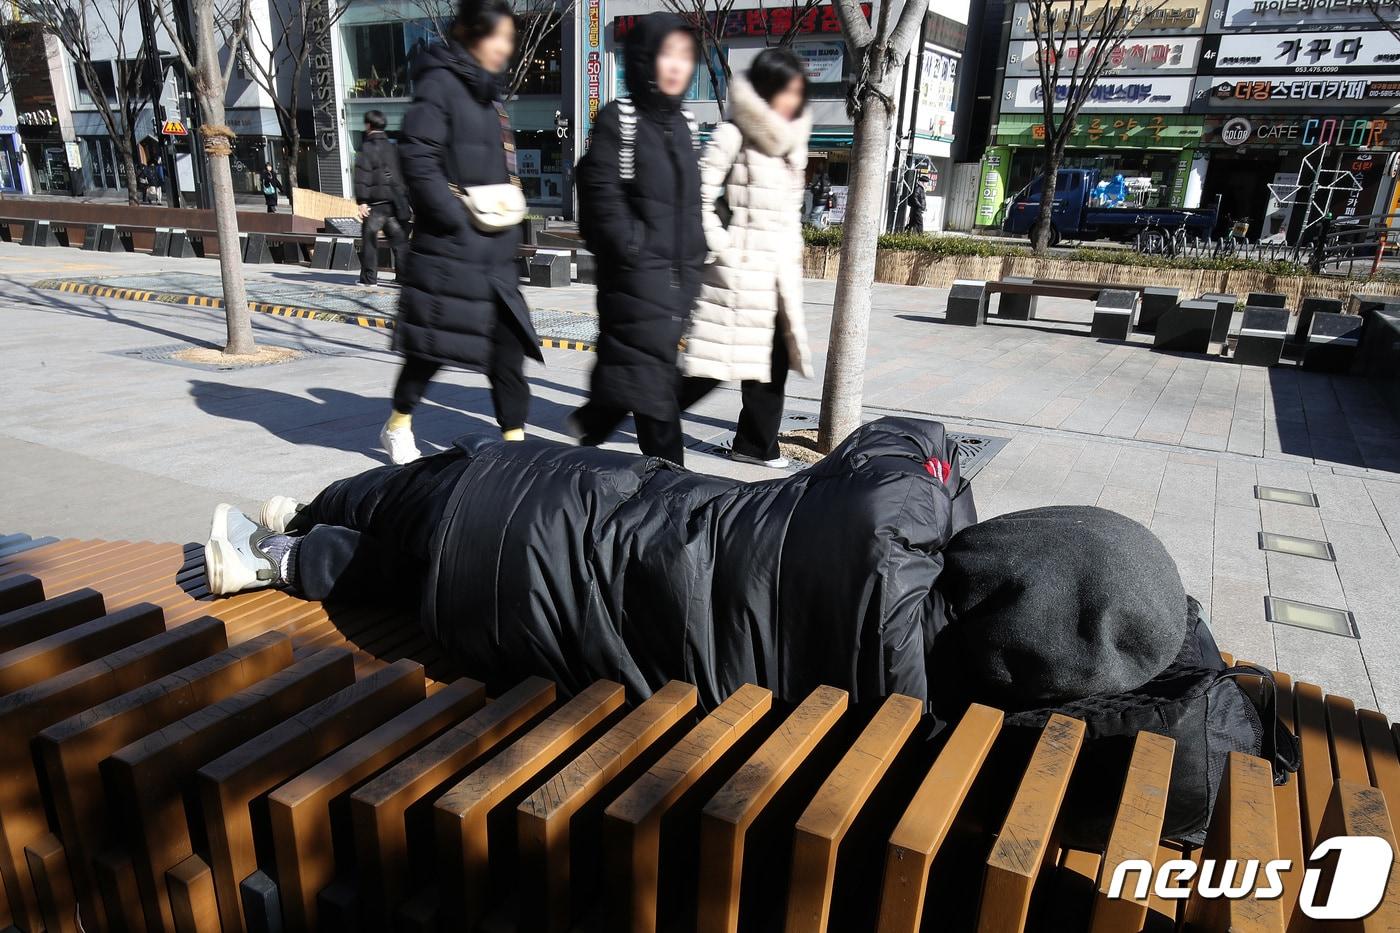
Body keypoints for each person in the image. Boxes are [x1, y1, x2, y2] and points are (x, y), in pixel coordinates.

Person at [201, 417, 974, 709]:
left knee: (404, 496)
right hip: (509, 628)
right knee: (413, 579)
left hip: (529, 505)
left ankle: (298, 520)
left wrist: (955, 517)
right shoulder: (915, 710)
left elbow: (910, 438)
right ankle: (286, 557)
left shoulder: (897, 509)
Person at [386, 0, 541, 465]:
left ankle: (514, 446)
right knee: (431, 348)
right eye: (499, 37)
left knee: (508, 353)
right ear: (474, 33)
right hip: (450, 249)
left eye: (510, 39)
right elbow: (416, 157)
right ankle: (398, 423)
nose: (506, 48)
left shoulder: (490, 96)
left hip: (493, 251)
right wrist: (454, 217)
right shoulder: (440, 84)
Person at [567, 12, 706, 465]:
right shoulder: (619, 119)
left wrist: (697, 254)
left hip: (674, 285)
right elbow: (598, 194)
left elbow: (690, 206)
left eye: (686, 57)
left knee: (635, 380)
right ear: (645, 59)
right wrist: (633, 249)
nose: (676, 66)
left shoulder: (685, 123)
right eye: (667, 54)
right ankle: (676, 492)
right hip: (634, 282)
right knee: (656, 401)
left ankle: (593, 423)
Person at [678, 49, 814, 470]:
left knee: (772, 363)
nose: (794, 100)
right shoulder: (733, 134)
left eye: (798, 92)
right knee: (713, 365)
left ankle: (756, 445)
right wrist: (725, 249)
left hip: (775, 279)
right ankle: (650, 410)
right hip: (736, 275)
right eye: (787, 91)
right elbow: (696, 199)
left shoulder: (791, 144)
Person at [352, 110, 410, 287]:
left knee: (370, 241)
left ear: (369, 125)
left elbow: (363, 176)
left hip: (374, 206)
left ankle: (369, 279)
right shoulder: (393, 147)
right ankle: (403, 277)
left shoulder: (367, 148)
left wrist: (362, 201)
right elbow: (401, 176)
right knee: (399, 242)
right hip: (392, 204)